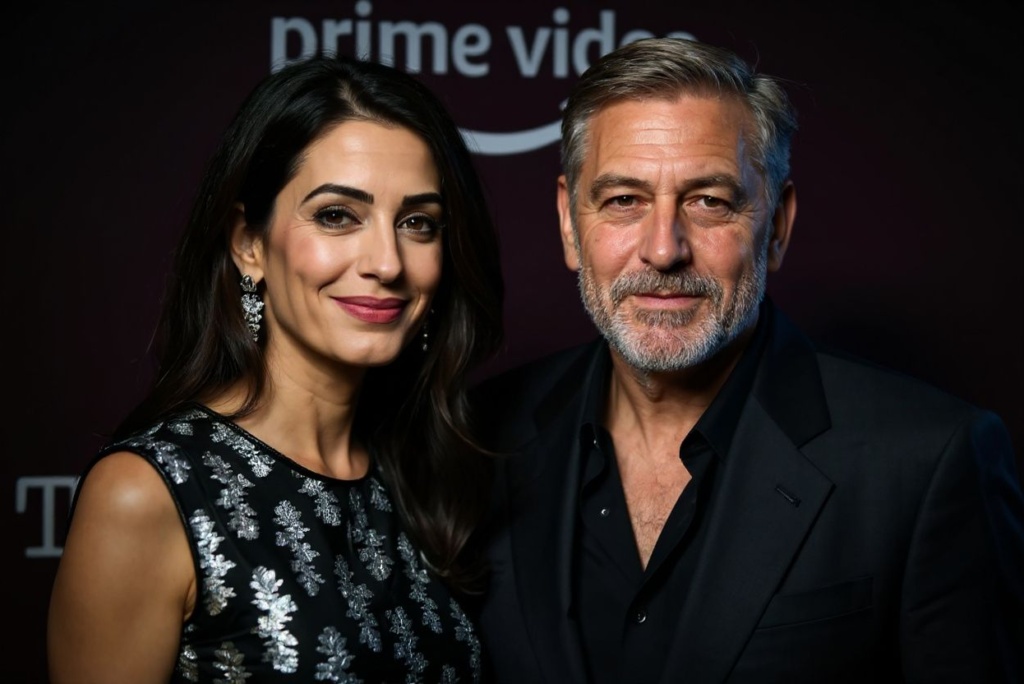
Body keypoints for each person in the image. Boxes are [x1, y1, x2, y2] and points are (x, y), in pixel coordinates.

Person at [473, 37, 1024, 683]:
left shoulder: (926, 461)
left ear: (778, 225)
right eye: (624, 199)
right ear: (570, 222)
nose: (662, 249)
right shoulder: (479, 439)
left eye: (709, 201)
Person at [47, 53, 503, 682]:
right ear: (249, 244)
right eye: (337, 215)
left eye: (417, 223)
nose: (387, 262)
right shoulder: (150, 494)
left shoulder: (426, 479)